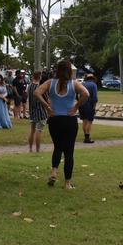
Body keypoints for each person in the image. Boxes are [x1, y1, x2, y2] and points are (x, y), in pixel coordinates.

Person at [35, 60, 89, 189]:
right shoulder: (74, 83)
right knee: (69, 152)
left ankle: (54, 171)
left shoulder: (50, 83)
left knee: (57, 147)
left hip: (54, 119)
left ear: (57, 70)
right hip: (69, 120)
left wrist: (47, 107)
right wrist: (76, 106)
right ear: (70, 70)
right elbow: (86, 94)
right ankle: (67, 183)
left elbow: (37, 92)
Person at [28, 71, 48, 152]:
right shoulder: (40, 86)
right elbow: (46, 99)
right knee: (38, 131)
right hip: (41, 111)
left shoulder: (29, 86)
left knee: (32, 131)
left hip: (32, 111)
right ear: (40, 77)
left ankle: (30, 149)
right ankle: (38, 150)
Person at [78, 74, 98, 144]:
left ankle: (86, 137)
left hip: (81, 104)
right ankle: (87, 138)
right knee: (89, 121)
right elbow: (95, 97)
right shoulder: (93, 85)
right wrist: (94, 106)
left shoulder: (82, 84)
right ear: (93, 78)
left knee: (84, 121)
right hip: (89, 105)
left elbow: (77, 95)